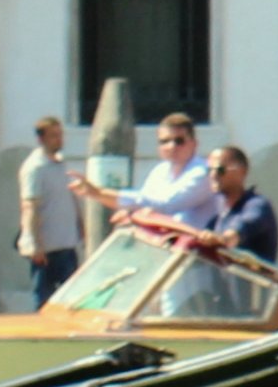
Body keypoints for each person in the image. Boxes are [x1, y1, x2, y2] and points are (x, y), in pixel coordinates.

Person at [81, 112, 224, 234]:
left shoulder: (203, 172)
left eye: (179, 141)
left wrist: (100, 193)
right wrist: (130, 212)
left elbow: (166, 205)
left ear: (194, 144)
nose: (171, 146)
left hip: (198, 251)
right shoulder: (160, 171)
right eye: (164, 141)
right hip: (164, 243)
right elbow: (146, 201)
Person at [17, 114, 84, 304]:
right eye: (54, 135)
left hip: (67, 244)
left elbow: (70, 198)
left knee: (70, 300)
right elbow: (30, 206)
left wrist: (81, 226)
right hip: (46, 249)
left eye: (60, 135)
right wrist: (34, 244)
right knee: (44, 300)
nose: (59, 140)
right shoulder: (34, 168)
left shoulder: (61, 164)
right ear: (41, 139)